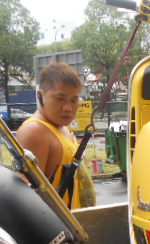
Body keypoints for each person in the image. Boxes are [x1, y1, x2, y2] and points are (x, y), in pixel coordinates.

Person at [16, 62, 95, 209]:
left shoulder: (61, 126)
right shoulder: (35, 131)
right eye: (60, 98)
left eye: (74, 100)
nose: (68, 108)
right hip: (57, 223)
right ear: (40, 96)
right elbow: (26, 202)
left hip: (75, 221)